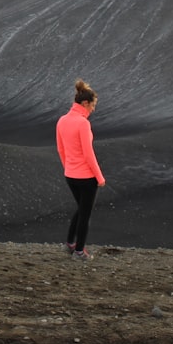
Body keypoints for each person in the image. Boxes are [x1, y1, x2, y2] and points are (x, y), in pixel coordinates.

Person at [55, 78, 106, 260]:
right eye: (92, 105)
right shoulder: (83, 124)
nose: (93, 109)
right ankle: (79, 252)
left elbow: (61, 149)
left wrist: (68, 168)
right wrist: (99, 178)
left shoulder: (62, 120)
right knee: (85, 214)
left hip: (70, 175)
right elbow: (88, 154)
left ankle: (70, 243)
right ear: (85, 103)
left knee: (81, 208)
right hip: (86, 177)